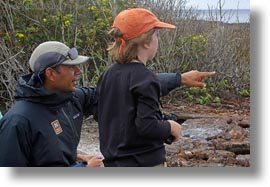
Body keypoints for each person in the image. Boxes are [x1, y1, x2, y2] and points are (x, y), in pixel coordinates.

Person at [0, 40, 213, 167]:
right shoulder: (17, 121)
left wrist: (179, 79)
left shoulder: (72, 99)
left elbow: (125, 87)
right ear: (50, 74)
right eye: (71, 67)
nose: (78, 72)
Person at [95, 8, 215, 167]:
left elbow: (104, 116)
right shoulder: (146, 77)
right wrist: (170, 127)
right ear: (145, 41)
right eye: (156, 35)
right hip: (144, 164)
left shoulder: (108, 74)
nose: (158, 39)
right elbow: (147, 126)